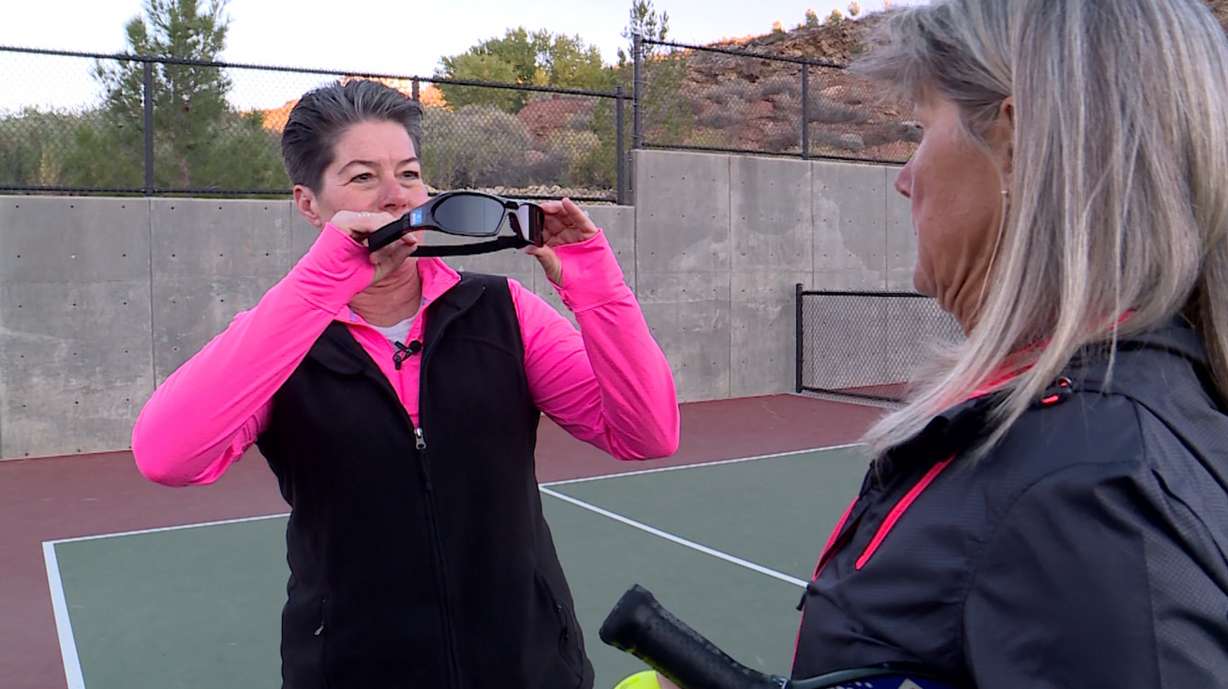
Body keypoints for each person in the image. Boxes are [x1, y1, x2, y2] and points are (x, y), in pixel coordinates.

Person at [131, 79, 680, 689]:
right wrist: (320, 285)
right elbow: (168, 456)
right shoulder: (275, 341)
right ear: (309, 204)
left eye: (410, 174)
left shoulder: (505, 312)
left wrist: (594, 282)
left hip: (527, 666)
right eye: (363, 177)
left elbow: (647, 434)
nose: (396, 196)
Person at [788, 1, 1228, 687]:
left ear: (1016, 146)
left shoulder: (1089, 493)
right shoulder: (1098, 436)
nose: (905, 177)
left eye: (921, 128)